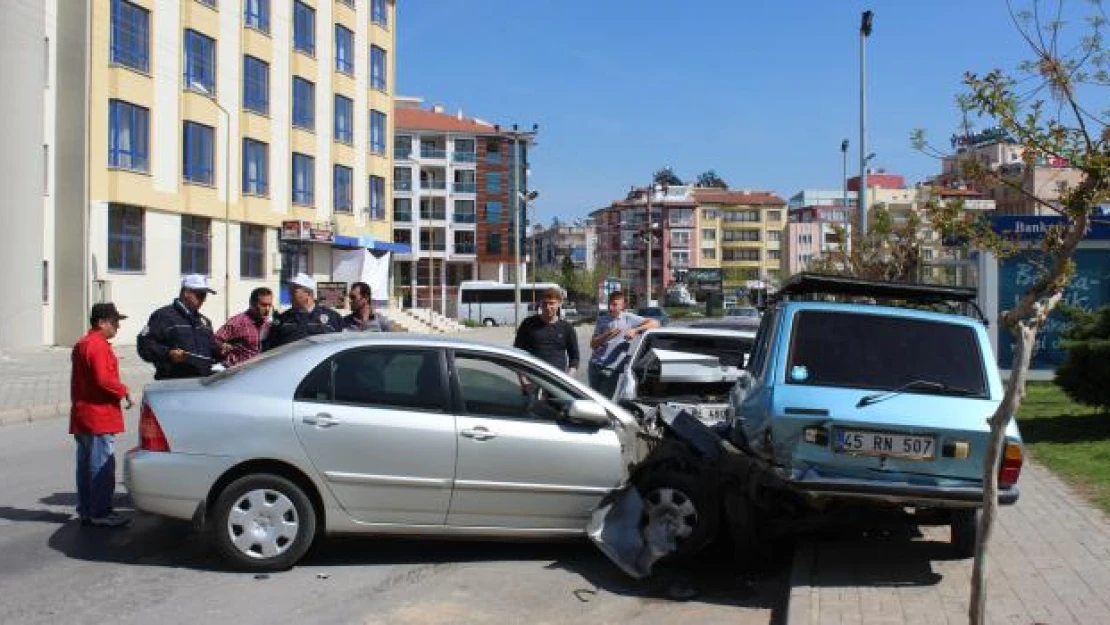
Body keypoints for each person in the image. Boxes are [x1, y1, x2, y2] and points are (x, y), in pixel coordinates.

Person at [71, 303, 133, 528]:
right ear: (101, 323)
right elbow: (103, 379)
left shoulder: (84, 343)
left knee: (86, 465)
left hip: (85, 414)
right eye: (114, 322)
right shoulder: (96, 345)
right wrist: (124, 391)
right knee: (101, 466)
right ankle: (100, 511)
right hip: (98, 415)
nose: (117, 326)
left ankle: (87, 510)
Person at [137, 274, 227, 379]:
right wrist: (169, 354)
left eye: (204, 296)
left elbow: (210, 350)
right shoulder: (163, 316)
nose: (203, 300)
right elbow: (145, 345)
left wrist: (220, 350)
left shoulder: (204, 322)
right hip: (174, 383)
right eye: (200, 295)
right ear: (186, 293)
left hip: (201, 383)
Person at [588, 291, 660, 398]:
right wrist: (606, 335)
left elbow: (656, 323)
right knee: (592, 400)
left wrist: (635, 330)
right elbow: (593, 345)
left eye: (615, 304)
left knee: (604, 403)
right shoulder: (602, 319)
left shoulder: (628, 318)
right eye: (610, 304)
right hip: (594, 365)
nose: (611, 308)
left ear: (622, 305)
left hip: (611, 369)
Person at [265, 273, 342, 349]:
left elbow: (341, 346)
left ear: (308, 294)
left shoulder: (332, 317)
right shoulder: (282, 320)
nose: (289, 294)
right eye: (290, 290)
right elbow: (271, 348)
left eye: (294, 291)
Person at [513, 287, 579, 374]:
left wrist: (568, 378)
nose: (548, 307)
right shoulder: (528, 324)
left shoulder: (567, 328)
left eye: (551, 303)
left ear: (559, 304)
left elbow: (574, 358)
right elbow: (517, 353)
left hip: (557, 380)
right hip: (533, 378)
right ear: (540, 304)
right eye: (544, 303)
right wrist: (524, 380)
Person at [216, 286, 274, 366]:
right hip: (238, 373)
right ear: (252, 304)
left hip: (260, 372)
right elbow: (215, 340)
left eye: (269, 305)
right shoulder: (237, 322)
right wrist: (223, 347)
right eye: (263, 305)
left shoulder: (268, 324)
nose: (267, 309)